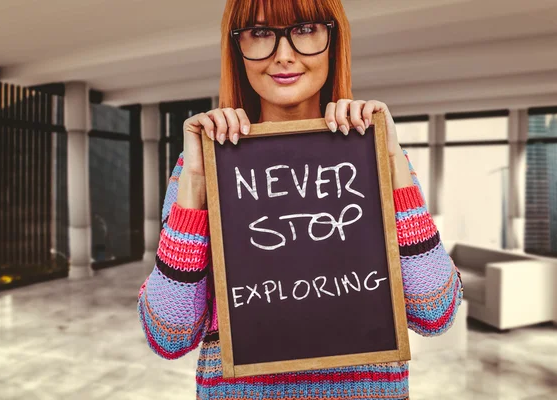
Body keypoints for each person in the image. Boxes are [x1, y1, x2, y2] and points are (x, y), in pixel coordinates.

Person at [137, 0, 463, 398]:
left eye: (306, 29)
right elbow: (167, 335)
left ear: (333, 40)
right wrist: (196, 183)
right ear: (236, 48)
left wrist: (391, 160)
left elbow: (436, 312)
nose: (284, 55)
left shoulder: (377, 155)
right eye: (260, 34)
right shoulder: (200, 166)